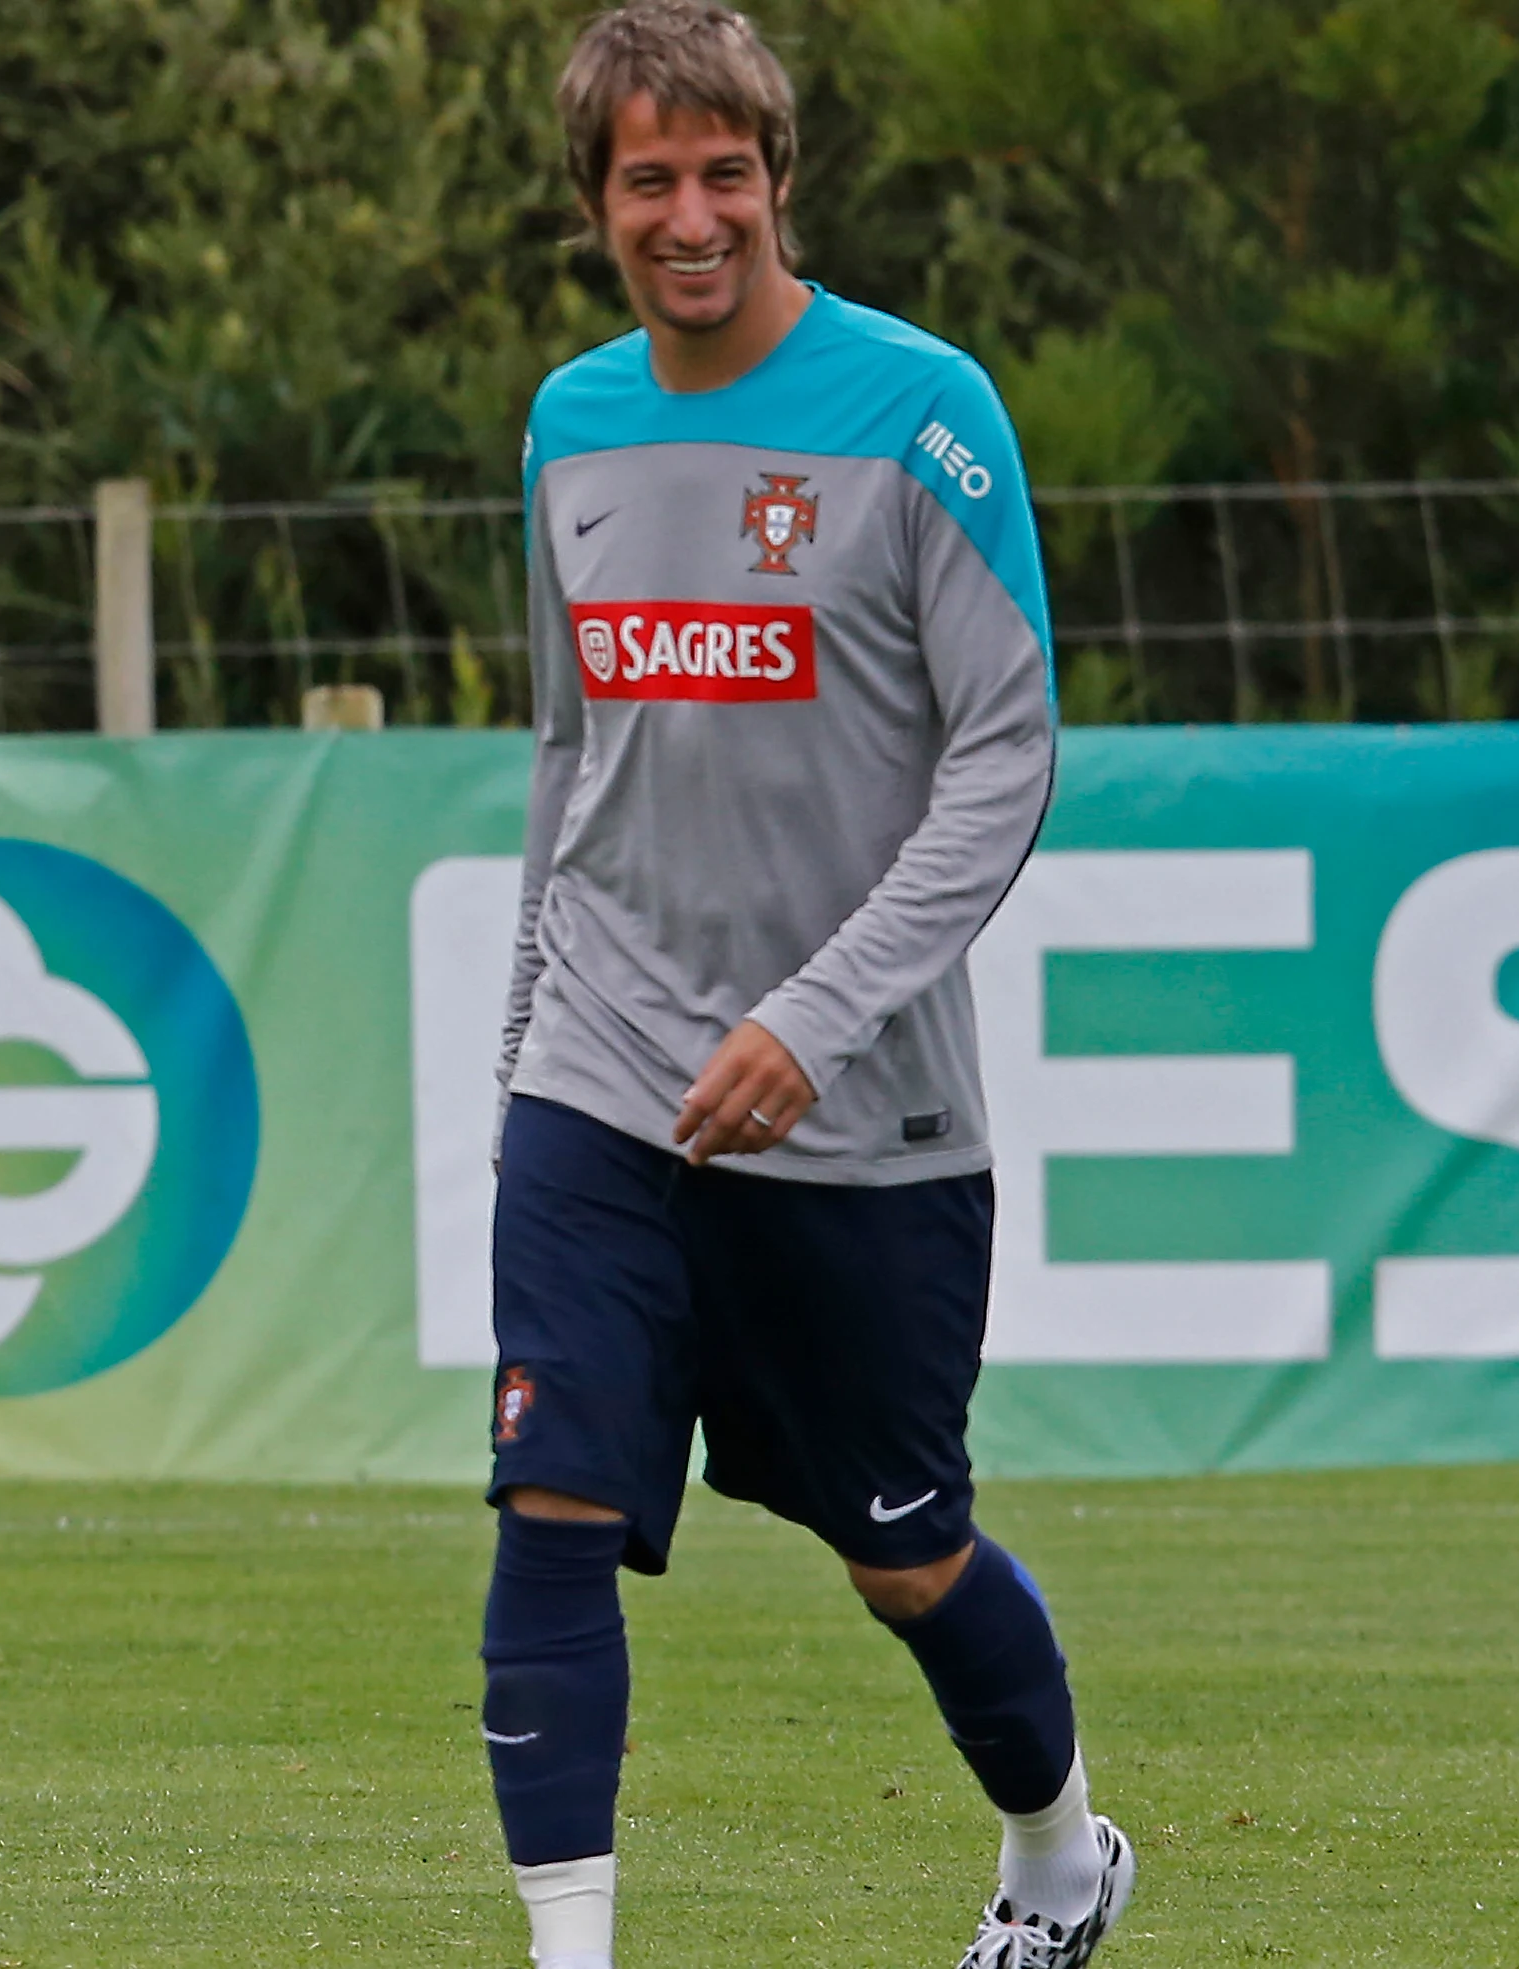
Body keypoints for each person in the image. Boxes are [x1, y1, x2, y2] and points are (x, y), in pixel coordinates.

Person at [478, 5, 1127, 1966]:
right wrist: (523, 1042)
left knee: (903, 1554)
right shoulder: (570, 423)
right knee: (550, 1512)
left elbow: (1004, 761)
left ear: (775, 177)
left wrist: (810, 1019)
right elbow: (563, 756)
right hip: (598, 1082)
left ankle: (1058, 1856)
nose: (691, 216)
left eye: (722, 174)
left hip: (862, 1115)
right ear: (597, 202)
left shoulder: (919, 411)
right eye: (648, 179)